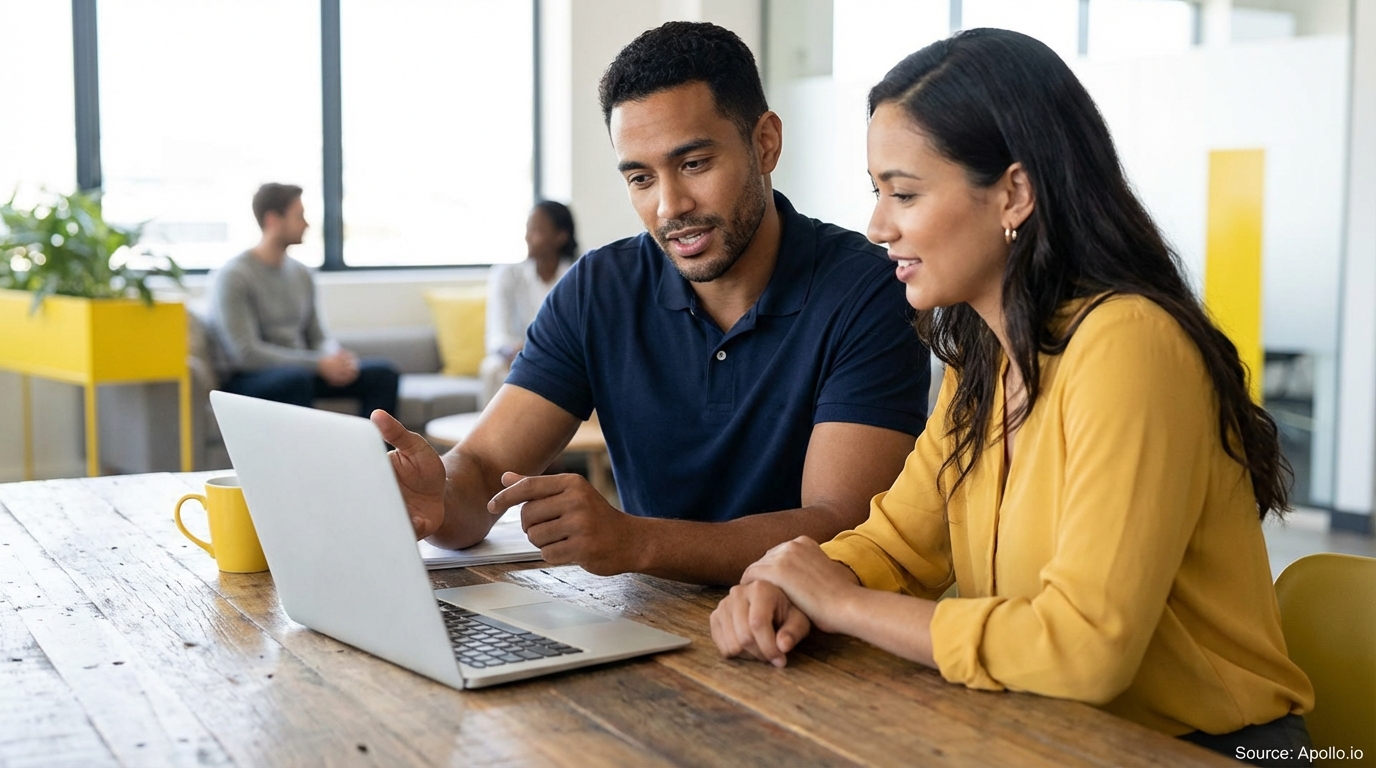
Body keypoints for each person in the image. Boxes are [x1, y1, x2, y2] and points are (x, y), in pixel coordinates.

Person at [709, 29, 1315, 764]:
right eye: (877, 192)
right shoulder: (985, 360)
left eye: (903, 192)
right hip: (1051, 734)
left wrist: (842, 603)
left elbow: (1085, 648)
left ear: (1015, 193)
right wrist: (796, 585)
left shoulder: (1128, 344)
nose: (877, 225)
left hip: (1208, 749)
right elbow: (899, 541)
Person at [371, 21, 931, 586]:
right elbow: (485, 471)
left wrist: (635, 540)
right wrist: (438, 497)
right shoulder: (598, 289)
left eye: (693, 164)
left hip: (808, 630)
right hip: (647, 618)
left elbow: (843, 526)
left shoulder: (869, 291)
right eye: (641, 178)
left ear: (765, 143)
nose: (670, 206)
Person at [207, 183, 399, 418]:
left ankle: (372, 454)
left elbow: (318, 337)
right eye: (300, 216)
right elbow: (247, 354)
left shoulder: (302, 274)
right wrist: (318, 364)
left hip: (302, 371)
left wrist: (334, 358)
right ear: (272, 220)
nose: (306, 224)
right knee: (295, 380)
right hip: (251, 378)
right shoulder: (233, 276)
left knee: (383, 374)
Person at [478, 201, 578, 408]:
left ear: (561, 236)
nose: (527, 237)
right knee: (492, 368)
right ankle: (490, 439)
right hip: (515, 357)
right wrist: (516, 351)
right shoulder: (507, 275)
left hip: (564, 358)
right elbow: (497, 333)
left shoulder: (578, 275)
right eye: (528, 229)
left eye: (536, 230)